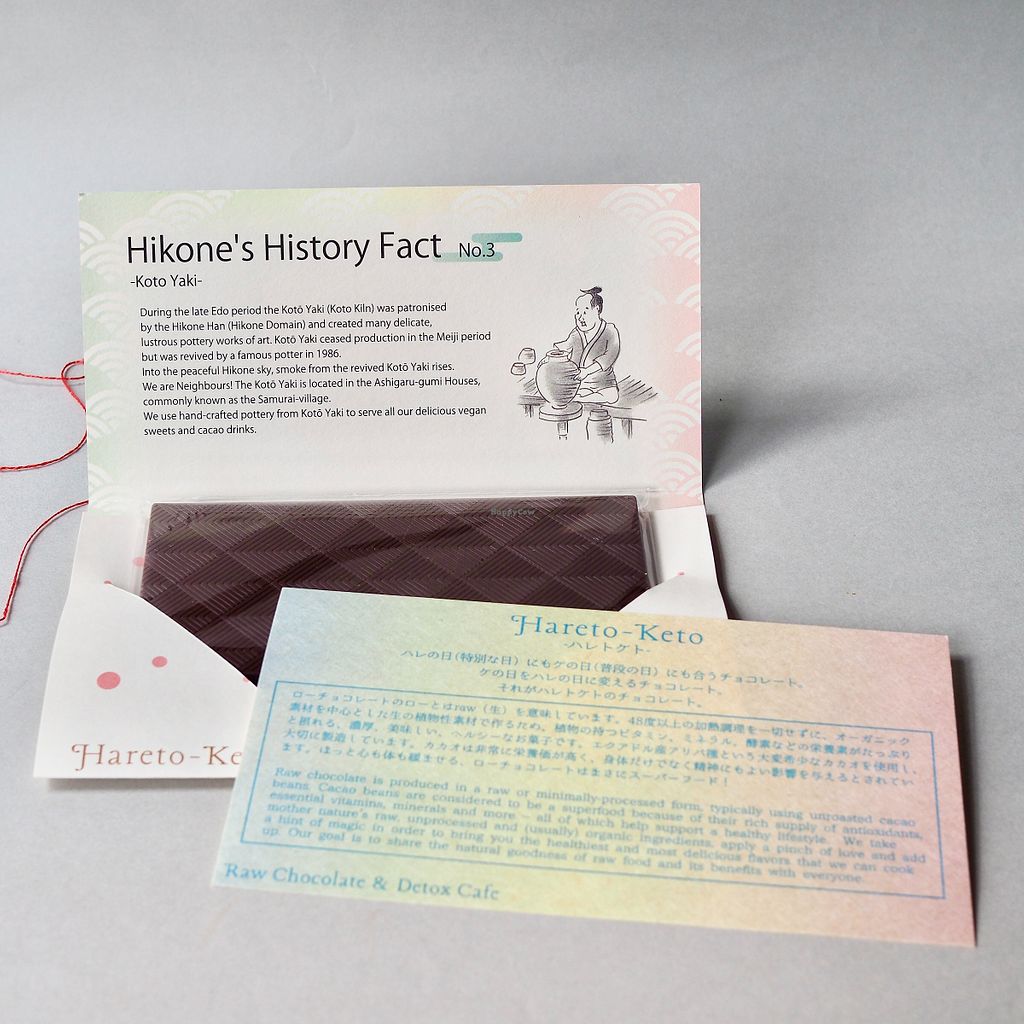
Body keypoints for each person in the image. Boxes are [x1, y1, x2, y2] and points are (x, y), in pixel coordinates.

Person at [556, 286, 621, 404]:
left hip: (602, 383)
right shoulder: (576, 334)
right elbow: (564, 348)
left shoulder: (610, 331)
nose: (580, 317)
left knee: (612, 396)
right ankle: (581, 396)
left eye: (585, 312)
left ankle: (582, 398)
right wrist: (550, 358)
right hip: (578, 383)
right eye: (578, 312)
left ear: (596, 310)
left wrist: (586, 371)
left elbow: (609, 357)